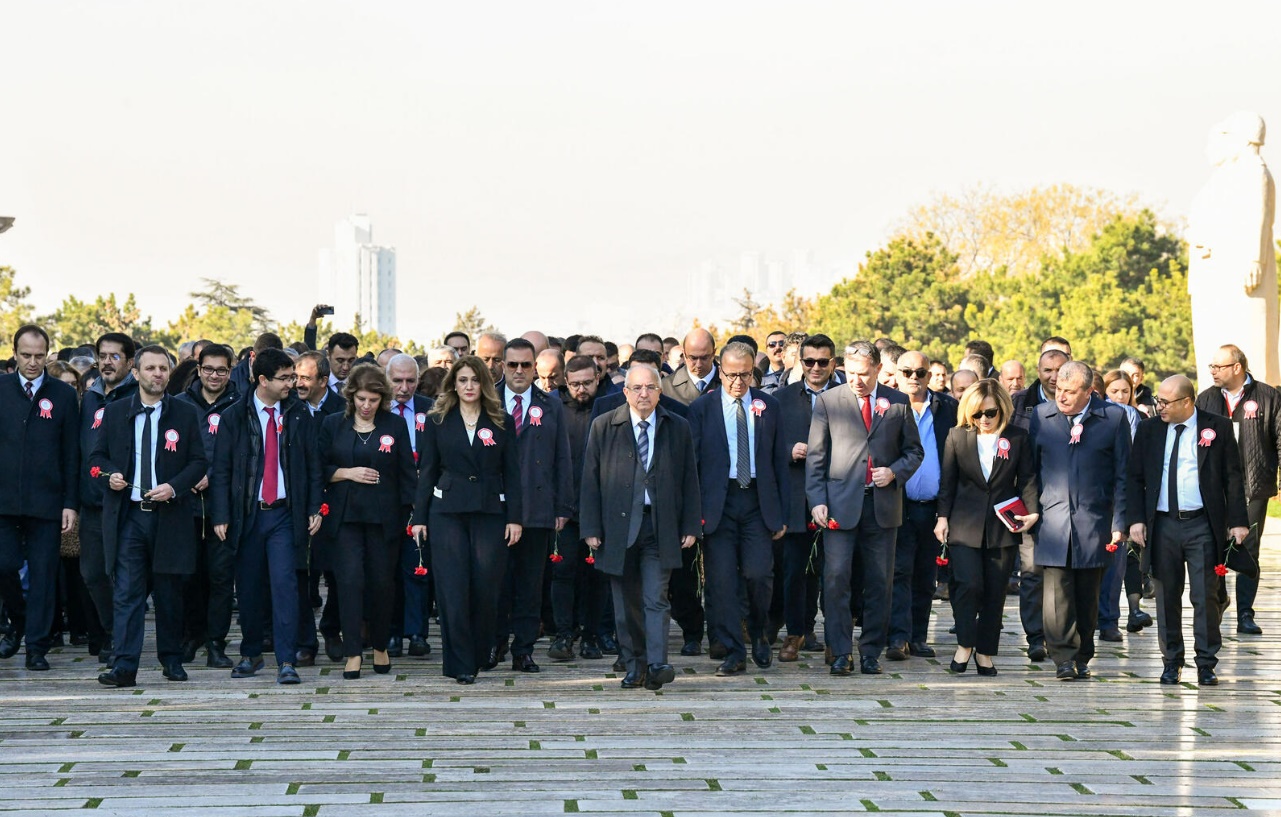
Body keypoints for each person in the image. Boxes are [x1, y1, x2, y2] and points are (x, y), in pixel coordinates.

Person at [806, 340, 924, 676]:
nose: (857, 380)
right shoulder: (829, 401)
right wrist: (817, 500)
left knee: (879, 581)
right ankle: (841, 652)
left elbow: (915, 452)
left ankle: (871, 650)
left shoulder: (898, 402)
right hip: (839, 506)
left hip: (882, 505)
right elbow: (817, 457)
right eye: (851, 373)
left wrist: (895, 472)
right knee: (836, 579)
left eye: (864, 373)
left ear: (876, 369)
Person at [90, 346, 206, 686]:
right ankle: (124, 665)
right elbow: (95, 458)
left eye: (163, 368)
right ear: (136, 373)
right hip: (130, 516)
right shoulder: (114, 413)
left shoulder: (184, 414)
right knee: (127, 592)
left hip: (170, 515)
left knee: (169, 592)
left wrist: (175, 486)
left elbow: (199, 461)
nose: (157, 374)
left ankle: (171, 659)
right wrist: (108, 474)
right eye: (150, 368)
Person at [581, 364, 701, 690]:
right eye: (637, 388)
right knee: (625, 605)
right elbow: (590, 481)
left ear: (660, 391)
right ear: (626, 392)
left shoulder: (677, 427)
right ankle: (635, 664)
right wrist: (590, 527)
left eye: (650, 387)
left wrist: (691, 524)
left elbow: (690, 479)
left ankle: (658, 663)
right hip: (616, 528)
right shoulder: (605, 426)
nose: (643, 394)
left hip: (660, 526)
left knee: (656, 598)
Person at [210, 348, 323, 685]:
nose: (293, 383)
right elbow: (221, 470)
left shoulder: (299, 414)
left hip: (285, 514)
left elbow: (314, 465)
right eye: (285, 378)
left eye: (294, 376)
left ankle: (286, 660)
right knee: (248, 587)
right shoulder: (235, 415)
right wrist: (220, 514)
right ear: (262, 380)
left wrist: (315, 506)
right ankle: (251, 653)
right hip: (248, 515)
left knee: (286, 585)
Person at [1128, 375, 1248, 685]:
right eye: (1159, 401)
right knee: (1167, 596)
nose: (1160, 406)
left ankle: (1206, 662)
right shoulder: (1150, 428)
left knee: (1205, 595)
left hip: (1202, 524)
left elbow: (1232, 477)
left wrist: (1238, 521)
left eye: (1166, 402)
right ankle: (1171, 661)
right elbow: (1134, 477)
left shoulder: (1217, 427)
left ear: (1186, 402)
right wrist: (1136, 519)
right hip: (1162, 523)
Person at [411, 356, 522, 685]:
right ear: (453, 384)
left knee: (486, 587)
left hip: (490, 512)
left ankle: (480, 650)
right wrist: (420, 517)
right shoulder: (437, 420)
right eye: (462, 380)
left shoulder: (501, 420)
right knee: (452, 589)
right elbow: (427, 471)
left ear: (484, 383)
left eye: (475, 380)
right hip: (447, 513)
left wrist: (515, 517)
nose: (469, 386)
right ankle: (460, 662)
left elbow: (513, 474)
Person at [688, 342, 789, 675]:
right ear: (720, 370)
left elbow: (779, 463)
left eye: (745, 375)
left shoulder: (769, 406)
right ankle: (733, 650)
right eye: (731, 375)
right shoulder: (702, 409)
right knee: (720, 583)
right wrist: (693, 515)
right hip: (719, 503)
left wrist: (782, 513)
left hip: (758, 502)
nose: (737, 382)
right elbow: (693, 466)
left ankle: (759, 630)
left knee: (759, 575)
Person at [1029, 361, 1131, 681]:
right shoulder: (1042, 417)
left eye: (1071, 392)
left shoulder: (1113, 419)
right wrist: (1032, 510)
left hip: (1094, 520)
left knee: (1088, 595)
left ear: (1089, 392)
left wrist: (1120, 521)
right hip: (1052, 519)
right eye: (1059, 389)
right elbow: (1029, 471)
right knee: (1056, 596)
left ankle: (1083, 654)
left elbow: (1123, 475)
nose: (1062, 397)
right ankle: (1062, 656)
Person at [315, 363, 417, 679]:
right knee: (348, 583)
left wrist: (412, 516)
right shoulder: (333, 424)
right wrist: (347, 473)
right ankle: (352, 652)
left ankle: (380, 646)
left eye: (373, 399)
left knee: (382, 584)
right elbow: (317, 468)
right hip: (345, 517)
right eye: (361, 399)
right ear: (351, 397)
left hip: (384, 518)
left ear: (382, 398)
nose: (366, 405)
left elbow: (406, 475)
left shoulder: (396, 426)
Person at [935, 380, 1039, 677]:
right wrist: (942, 518)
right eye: (976, 415)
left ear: (1002, 409)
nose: (983, 420)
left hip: (1003, 526)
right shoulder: (956, 437)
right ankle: (965, 644)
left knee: (995, 592)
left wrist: (1031, 512)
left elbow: (1028, 478)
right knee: (968, 585)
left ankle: (985, 652)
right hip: (964, 524)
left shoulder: (1017, 438)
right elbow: (948, 482)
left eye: (990, 413)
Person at [0, 325, 80, 670]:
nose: (32, 363)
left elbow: (71, 453)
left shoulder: (62, 394)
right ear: (15, 353)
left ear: (48, 354)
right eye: (25, 355)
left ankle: (36, 647)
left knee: (46, 575)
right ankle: (16, 622)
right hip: (3, 501)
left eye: (38, 356)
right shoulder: (1, 389)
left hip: (47, 502)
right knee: (5, 566)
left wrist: (70, 502)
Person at [494, 338, 572, 673]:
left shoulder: (550, 404)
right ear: (503, 365)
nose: (520, 371)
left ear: (535, 366)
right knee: (496, 583)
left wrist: (562, 506)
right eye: (513, 365)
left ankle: (523, 649)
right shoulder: (487, 400)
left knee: (530, 585)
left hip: (538, 507)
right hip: (496, 509)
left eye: (526, 364)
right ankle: (494, 643)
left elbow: (562, 457)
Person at [1195, 343, 1281, 636]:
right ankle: (1219, 599)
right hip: (1214, 487)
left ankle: (1246, 611)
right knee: (1214, 546)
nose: (1213, 371)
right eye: (1211, 367)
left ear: (1237, 367)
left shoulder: (1268, 397)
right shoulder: (1205, 399)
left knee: (1247, 549)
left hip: (1253, 485)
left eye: (1219, 367)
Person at [887, 350, 958, 661]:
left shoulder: (948, 409)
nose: (913, 378)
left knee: (925, 575)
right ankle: (897, 638)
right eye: (907, 372)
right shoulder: (886, 406)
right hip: (895, 503)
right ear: (897, 375)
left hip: (932, 507)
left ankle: (918, 637)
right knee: (898, 572)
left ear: (930, 376)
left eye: (920, 372)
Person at [773, 334, 838, 661]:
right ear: (800, 362)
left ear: (833, 364)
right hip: (796, 498)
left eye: (822, 362)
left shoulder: (845, 397)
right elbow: (766, 446)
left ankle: (834, 639)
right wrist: (789, 450)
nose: (815, 367)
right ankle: (795, 633)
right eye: (809, 361)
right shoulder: (781, 398)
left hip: (837, 496)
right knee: (795, 571)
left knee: (835, 572)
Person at [174, 343, 240, 669]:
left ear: (231, 371)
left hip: (223, 506)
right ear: (198, 370)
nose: (215, 375)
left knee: (220, 577)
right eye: (209, 369)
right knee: (188, 575)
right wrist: (190, 476)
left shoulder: (239, 405)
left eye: (222, 370)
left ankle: (217, 642)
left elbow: (244, 454)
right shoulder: (180, 404)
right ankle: (191, 635)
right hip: (186, 506)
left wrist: (211, 475)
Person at [78, 332, 139, 663]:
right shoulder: (89, 397)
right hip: (91, 502)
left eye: (114, 356)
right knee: (92, 573)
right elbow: (80, 449)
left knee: (123, 574)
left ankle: (122, 638)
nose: (106, 361)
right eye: (102, 355)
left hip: (123, 502)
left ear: (130, 362)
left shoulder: (136, 396)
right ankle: (113, 630)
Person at [548, 355, 608, 661]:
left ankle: (592, 636)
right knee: (562, 572)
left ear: (597, 379)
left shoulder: (608, 408)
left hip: (599, 509)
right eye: (574, 384)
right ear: (565, 383)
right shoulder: (553, 409)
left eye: (587, 383)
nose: (581, 389)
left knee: (596, 575)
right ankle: (563, 635)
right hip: (563, 508)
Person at [1011, 347, 1068, 660]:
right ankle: (1035, 637)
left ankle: (1058, 635)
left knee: (1061, 573)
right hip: (1027, 499)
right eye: (1047, 370)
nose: (1053, 376)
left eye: (1059, 369)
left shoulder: (1080, 402)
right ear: (1038, 370)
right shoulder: (1019, 403)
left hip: (1066, 501)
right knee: (1031, 571)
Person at [385, 354, 436, 658]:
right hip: (387, 501)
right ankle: (391, 632)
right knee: (389, 569)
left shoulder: (431, 409)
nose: (404, 388)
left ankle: (417, 632)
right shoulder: (376, 409)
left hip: (422, 501)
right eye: (397, 381)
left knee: (418, 566)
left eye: (410, 381)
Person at [1099, 368, 1150, 638]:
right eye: (1114, 390)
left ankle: (1112, 617)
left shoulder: (1136, 417)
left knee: (1121, 558)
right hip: (1099, 495)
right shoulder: (1099, 416)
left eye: (1125, 391)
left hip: (1128, 493)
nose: (1120, 396)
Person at [662, 329, 718, 404]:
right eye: (693, 358)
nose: (699, 364)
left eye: (704, 358)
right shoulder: (666, 386)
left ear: (713, 353)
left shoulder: (730, 383)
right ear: (684, 354)